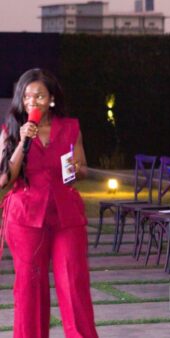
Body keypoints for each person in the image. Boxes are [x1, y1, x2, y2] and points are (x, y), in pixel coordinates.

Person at [0, 68, 98, 338]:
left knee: (74, 283)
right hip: (26, 218)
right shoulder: (11, 130)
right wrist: (23, 141)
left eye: (39, 96)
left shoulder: (70, 127)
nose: (32, 101)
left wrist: (76, 169)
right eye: (27, 96)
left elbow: (82, 168)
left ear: (52, 98)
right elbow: (4, 179)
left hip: (66, 215)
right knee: (29, 288)